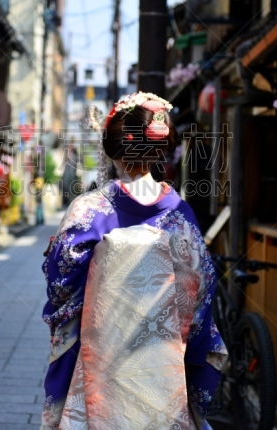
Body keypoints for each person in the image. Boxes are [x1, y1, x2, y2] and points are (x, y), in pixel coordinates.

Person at [40, 92, 228, 430]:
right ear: (160, 150)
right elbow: (201, 291)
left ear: (111, 148)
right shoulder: (182, 216)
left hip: (95, 362)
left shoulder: (88, 211)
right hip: (162, 365)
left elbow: (59, 286)